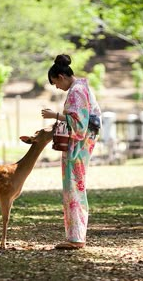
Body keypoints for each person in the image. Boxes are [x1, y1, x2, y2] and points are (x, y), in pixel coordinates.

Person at [41, 54, 101, 250]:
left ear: (62, 76)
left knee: (74, 187)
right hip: (81, 143)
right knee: (75, 186)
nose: (57, 87)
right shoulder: (80, 88)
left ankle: (76, 238)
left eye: (55, 83)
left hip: (79, 144)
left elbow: (79, 124)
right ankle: (75, 236)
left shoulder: (76, 91)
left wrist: (55, 115)